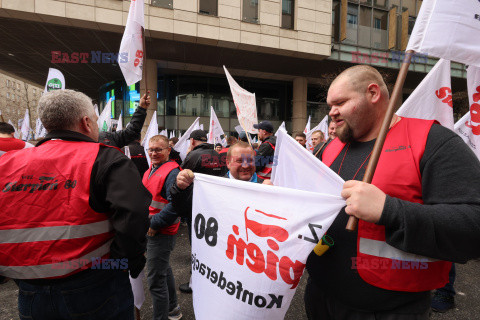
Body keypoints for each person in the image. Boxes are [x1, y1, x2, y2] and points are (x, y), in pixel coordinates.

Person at [305, 65, 480, 320]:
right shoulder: (329, 148)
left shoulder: (433, 141)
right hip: (319, 297)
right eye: (330, 105)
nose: (331, 112)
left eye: (340, 102)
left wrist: (390, 210)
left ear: (373, 93)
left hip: (390, 310)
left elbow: (474, 225)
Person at [0, 89, 151, 319]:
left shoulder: (6, 164)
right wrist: (123, 262)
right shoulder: (106, 158)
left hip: (29, 290)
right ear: (86, 122)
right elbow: (134, 214)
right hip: (95, 285)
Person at [174, 129, 225, 293]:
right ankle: (213, 277)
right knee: (212, 243)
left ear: (193, 141)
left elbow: (183, 178)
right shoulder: (219, 156)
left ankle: (196, 280)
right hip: (216, 206)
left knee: (196, 242)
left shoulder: (193, 156)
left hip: (197, 207)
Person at [143, 135, 182, 320]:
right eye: (150, 149)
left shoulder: (172, 172)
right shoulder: (152, 168)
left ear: (168, 150)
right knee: (163, 270)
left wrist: (155, 224)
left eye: (158, 149)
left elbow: (176, 205)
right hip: (154, 230)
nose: (153, 153)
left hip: (161, 231)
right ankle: (173, 309)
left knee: (155, 281)